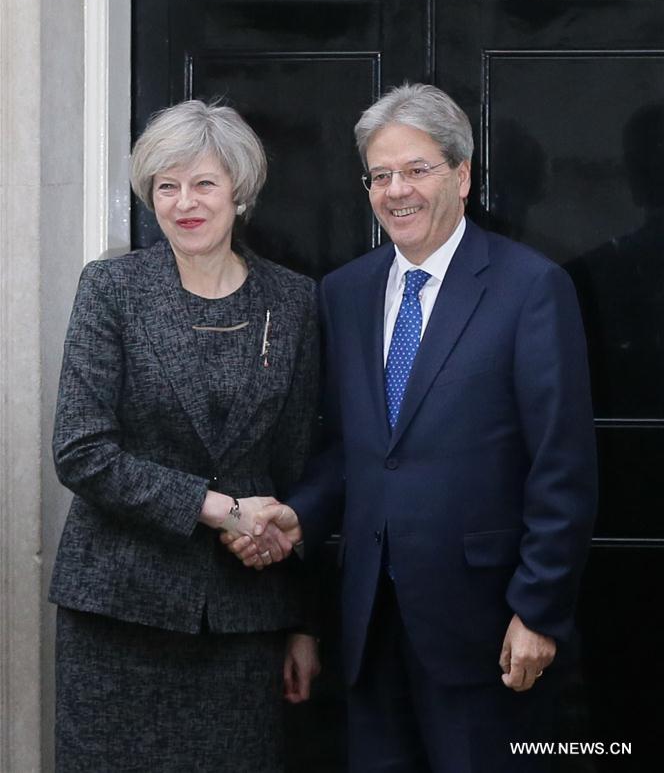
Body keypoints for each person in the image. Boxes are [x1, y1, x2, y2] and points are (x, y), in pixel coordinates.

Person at [225, 84, 598, 772]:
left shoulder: (530, 287)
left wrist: (539, 609)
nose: (397, 190)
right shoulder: (345, 292)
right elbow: (348, 448)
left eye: (417, 169)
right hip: (370, 626)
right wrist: (300, 517)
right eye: (380, 174)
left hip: (487, 627)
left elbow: (562, 464)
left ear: (462, 175)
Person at [49, 99, 320, 772]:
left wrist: (305, 623)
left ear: (239, 191)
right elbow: (81, 450)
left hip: (244, 621)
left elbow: (297, 469)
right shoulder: (111, 289)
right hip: (118, 616)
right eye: (166, 186)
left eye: (203, 183)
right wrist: (218, 508)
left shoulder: (293, 301)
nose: (184, 203)